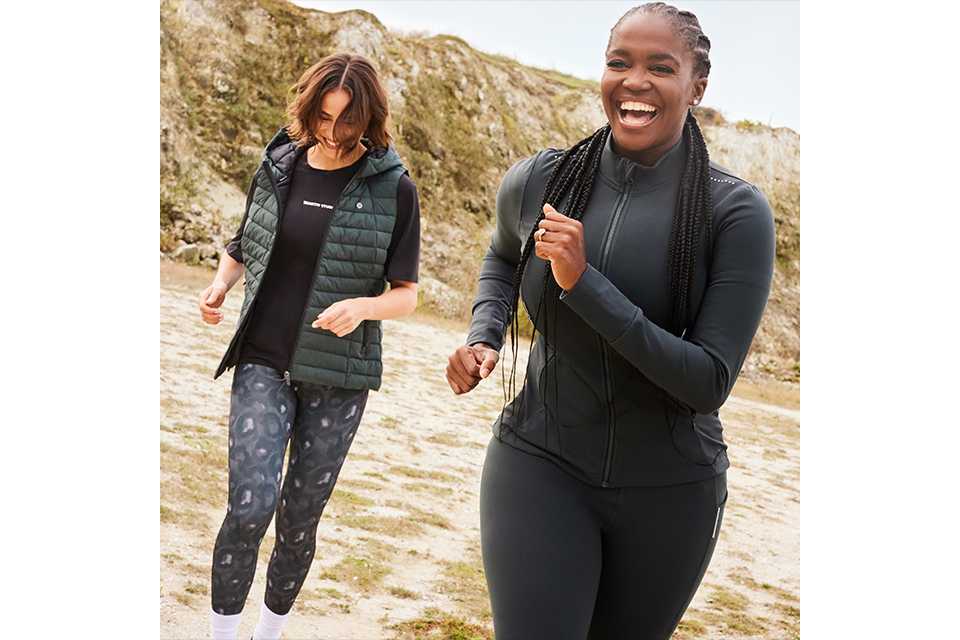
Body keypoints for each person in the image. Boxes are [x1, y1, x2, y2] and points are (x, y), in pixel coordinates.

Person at [445, 3, 775, 638]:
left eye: (660, 67)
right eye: (618, 63)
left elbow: (707, 381)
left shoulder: (733, 213)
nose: (635, 82)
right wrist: (485, 334)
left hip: (669, 493)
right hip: (538, 462)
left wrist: (584, 283)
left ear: (696, 86)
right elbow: (502, 253)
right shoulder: (547, 178)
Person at [197, 53, 420, 640]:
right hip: (263, 360)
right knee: (248, 509)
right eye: (323, 116)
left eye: (346, 121)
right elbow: (246, 240)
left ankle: (268, 633)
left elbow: (407, 296)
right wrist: (221, 285)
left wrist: (363, 307)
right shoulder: (277, 164)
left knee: (298, 521)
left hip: (338, 377)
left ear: (368, 119)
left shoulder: (394, 188)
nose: (331, 131)